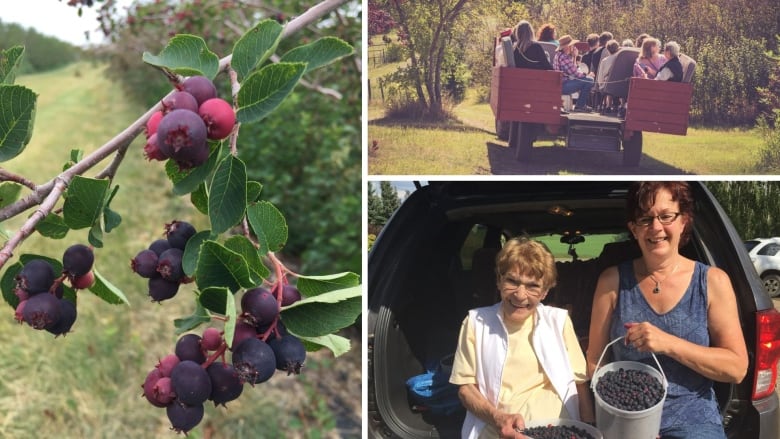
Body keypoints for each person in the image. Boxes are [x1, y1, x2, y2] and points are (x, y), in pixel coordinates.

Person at [587, 181, 748, 439]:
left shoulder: (712, 282)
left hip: (695, 422)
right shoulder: (612, 282)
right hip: (627, 420)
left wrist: (667, 343)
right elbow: (596, 361)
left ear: (684, 220)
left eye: (666, 216)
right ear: (633, 228)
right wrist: (620, 421)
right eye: (645, 219)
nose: (656, 227)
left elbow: (736, 368)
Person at [450, 237, 594, 439]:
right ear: (499, 281)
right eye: (512, 281)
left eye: (533, 286)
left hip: (557, 430)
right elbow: (465, 389)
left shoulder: (559, 321)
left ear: (544, 292)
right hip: (497, 431)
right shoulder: (476, 322)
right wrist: (499, 418)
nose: (520, 295)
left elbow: (580, 381)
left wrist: (589, 427)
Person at [553, 35, 595, 112]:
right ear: (567, 46)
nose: (573, 46)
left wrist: (574, 56)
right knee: (589, 81)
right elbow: (575, 73)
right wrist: (587, 75)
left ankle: (580, 104)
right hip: (563, 86)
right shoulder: (564, 57)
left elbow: (573, 69)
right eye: (572, 45)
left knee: (587, 80)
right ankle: (580, 105)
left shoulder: (559, 55)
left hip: (561, 84)